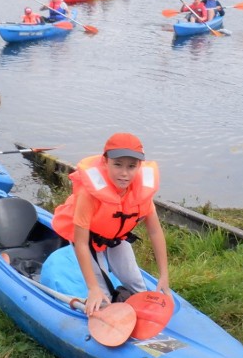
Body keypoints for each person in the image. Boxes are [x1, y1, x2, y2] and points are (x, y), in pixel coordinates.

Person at [51, 132, 170, 315]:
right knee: (102, 296)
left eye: (131, 166)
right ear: (105, 162)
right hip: (89, 240)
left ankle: (139, 313)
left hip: (116, 238)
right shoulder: (89, 195)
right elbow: (81, 242)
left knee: (136, 283)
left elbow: (155, 232)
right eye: (117, 165)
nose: (124, 173)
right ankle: (103, 312)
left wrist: (164, 275)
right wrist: (93, 288)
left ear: (139, 166)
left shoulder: (142, 193)